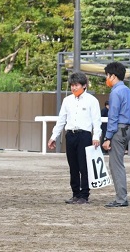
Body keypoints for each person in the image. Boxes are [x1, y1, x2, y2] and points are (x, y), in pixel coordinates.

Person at [48, 72, 102, 205]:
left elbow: (97, 121)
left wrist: (96, 136)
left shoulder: (92, 100)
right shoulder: (67, 100)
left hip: (84, 135)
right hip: (70, 135)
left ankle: (84, 195)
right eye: (72, 85)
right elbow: (61, 120)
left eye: (76, 85)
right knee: (73, 166)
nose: (73, 88)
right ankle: (75, 194)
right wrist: (54, 136)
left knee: (84, 166)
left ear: (84, 86)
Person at [102, 62, 130, 208]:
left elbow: (113, 116)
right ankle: (121, 197)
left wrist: (107, 137)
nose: (106, 79)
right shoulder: (128, 90)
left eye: (107, 76)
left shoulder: (115, 92)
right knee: (118, 164)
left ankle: (121, 198)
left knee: (116, 165)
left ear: (113, 76)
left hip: (118, 130)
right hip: (127, 129)